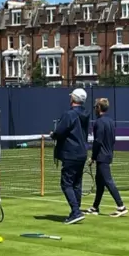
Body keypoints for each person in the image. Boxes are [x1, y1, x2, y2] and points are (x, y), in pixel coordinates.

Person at [50, 88, 90, 225]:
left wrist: (53, 135)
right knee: (76, 183)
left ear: (73, 99)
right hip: (81, 152)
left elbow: (60, 131)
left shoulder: (70, 114)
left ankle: (75, 211)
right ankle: (76, 211)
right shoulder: (85, 114)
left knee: (66, 183)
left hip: (71, 153)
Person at [84, 98, 128, 217]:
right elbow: (112, 140)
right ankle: (95, 207)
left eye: (95, 107)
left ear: (99, 108)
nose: (94, 109)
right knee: (100, 183)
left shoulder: (99, 122)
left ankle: (121, 206)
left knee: (108, 181)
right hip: (108, 154)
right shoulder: (110, 121)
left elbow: (97, 141)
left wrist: (92, 157)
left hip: (102, 156)